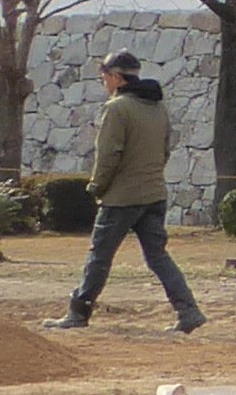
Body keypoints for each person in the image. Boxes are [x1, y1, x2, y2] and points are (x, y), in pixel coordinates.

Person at [45, 53, 205, 333]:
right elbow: (165, 151)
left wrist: (97, 187)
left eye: (104, 77)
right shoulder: (158, 108)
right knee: (158, 256)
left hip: (121, 198)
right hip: (155, 194)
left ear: (116, 77)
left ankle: (78, 312)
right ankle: (188, 310)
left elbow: (108, 155)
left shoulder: (117, 108)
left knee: (100, 256)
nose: (103, 83)